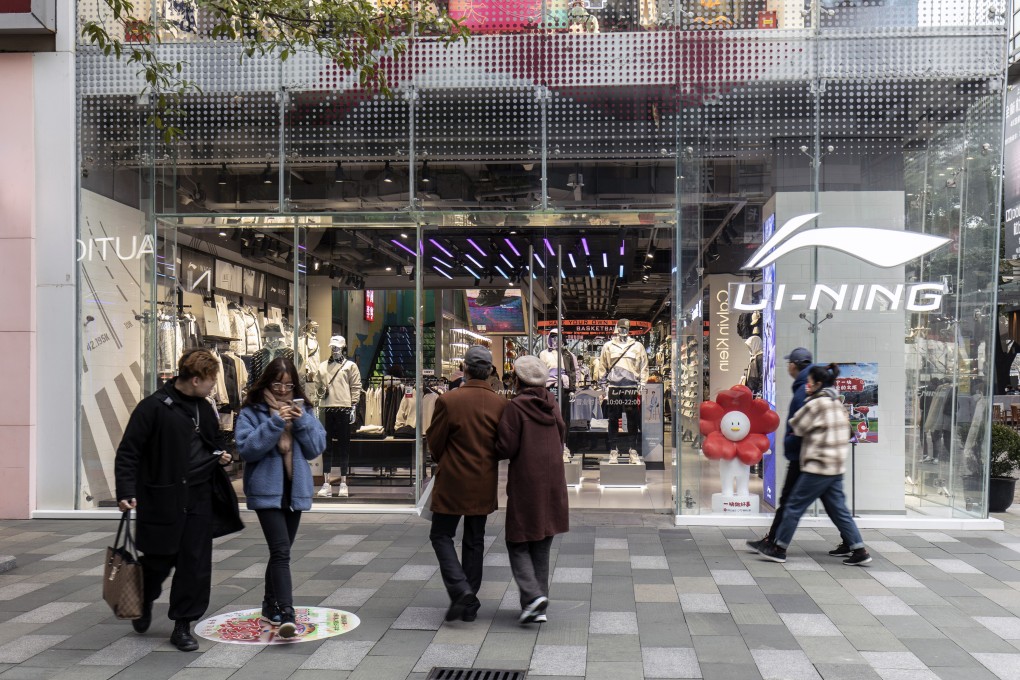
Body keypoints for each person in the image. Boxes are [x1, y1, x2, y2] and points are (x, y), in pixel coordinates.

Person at [115, 349, 244, 652]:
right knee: (159, 560)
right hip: (162, 498)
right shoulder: (153, 408)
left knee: (195, 565)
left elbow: (211, 442)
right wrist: (126, 491)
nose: (214, 386)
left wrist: (220, 455)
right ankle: (144, 596)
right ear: (196, 379)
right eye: (211, 380)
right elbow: (129, 452)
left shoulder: (205, 408)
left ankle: (183, 625)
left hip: (199, 498)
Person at [236, 357, 327, 638]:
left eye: (288, 385)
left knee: (281, 550)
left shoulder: (305, 409)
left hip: (294, 489)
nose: (283, 391)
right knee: (281, 552)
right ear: (267, 382)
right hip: (266, 490)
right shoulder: (252, 411)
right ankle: (287, 612)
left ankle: (268, 604)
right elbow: (247, 449)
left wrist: (302, 424)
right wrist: (274, 423)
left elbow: (316, 448)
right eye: (278, 384)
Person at [758, 364, 872, 566]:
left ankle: (779, 548)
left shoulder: (815, 404)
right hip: (835, 467)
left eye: (810, 382)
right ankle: (859, 549)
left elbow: (797, 426)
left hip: (817, 466)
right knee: (839, 510)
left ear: (818, 384)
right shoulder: (837, 402)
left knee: (794, 506)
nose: (807, 386)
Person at [426, 345, 508, 622]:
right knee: (475, 540)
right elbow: (504, 445)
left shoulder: (449, 400)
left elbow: (434, 442)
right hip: (483, 480)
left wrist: (446, 458)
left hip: (452, 478)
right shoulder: (500, 403)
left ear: (465, 369)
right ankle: (468, 599)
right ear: (489, 372)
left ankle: (461, 590)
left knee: (441, 535)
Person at [747, 348, 855, 558]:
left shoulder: (803, 390)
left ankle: (776, 545)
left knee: (791, 502)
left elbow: (799, 426)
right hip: (819, 458)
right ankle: (854, 544)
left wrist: (790, 447)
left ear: (794, 365)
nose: (787, 366)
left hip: (806, 457)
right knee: (833, 504)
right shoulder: (812, 385)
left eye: (789, 363)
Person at [496, 355, 569, 625]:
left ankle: (532, 594)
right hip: (553, 480)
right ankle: (537, 606)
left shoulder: (515, 407)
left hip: (528, 480)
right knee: (542, 542)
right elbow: (562, 434)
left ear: (517, 380)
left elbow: (506, 447)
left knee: (517, 540)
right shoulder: (552, 404)